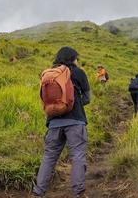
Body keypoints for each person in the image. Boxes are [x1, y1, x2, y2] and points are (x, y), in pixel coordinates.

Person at [33, 47, 90, 198]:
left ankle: (38, 193)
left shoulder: (50, 74)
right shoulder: (78, 72)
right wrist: (73, 103)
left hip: (53, 122)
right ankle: (78, 193)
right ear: (73, 58)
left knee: (49, 157)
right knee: (77, 156)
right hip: (75, 121)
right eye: (76, 58)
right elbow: (87, 98)